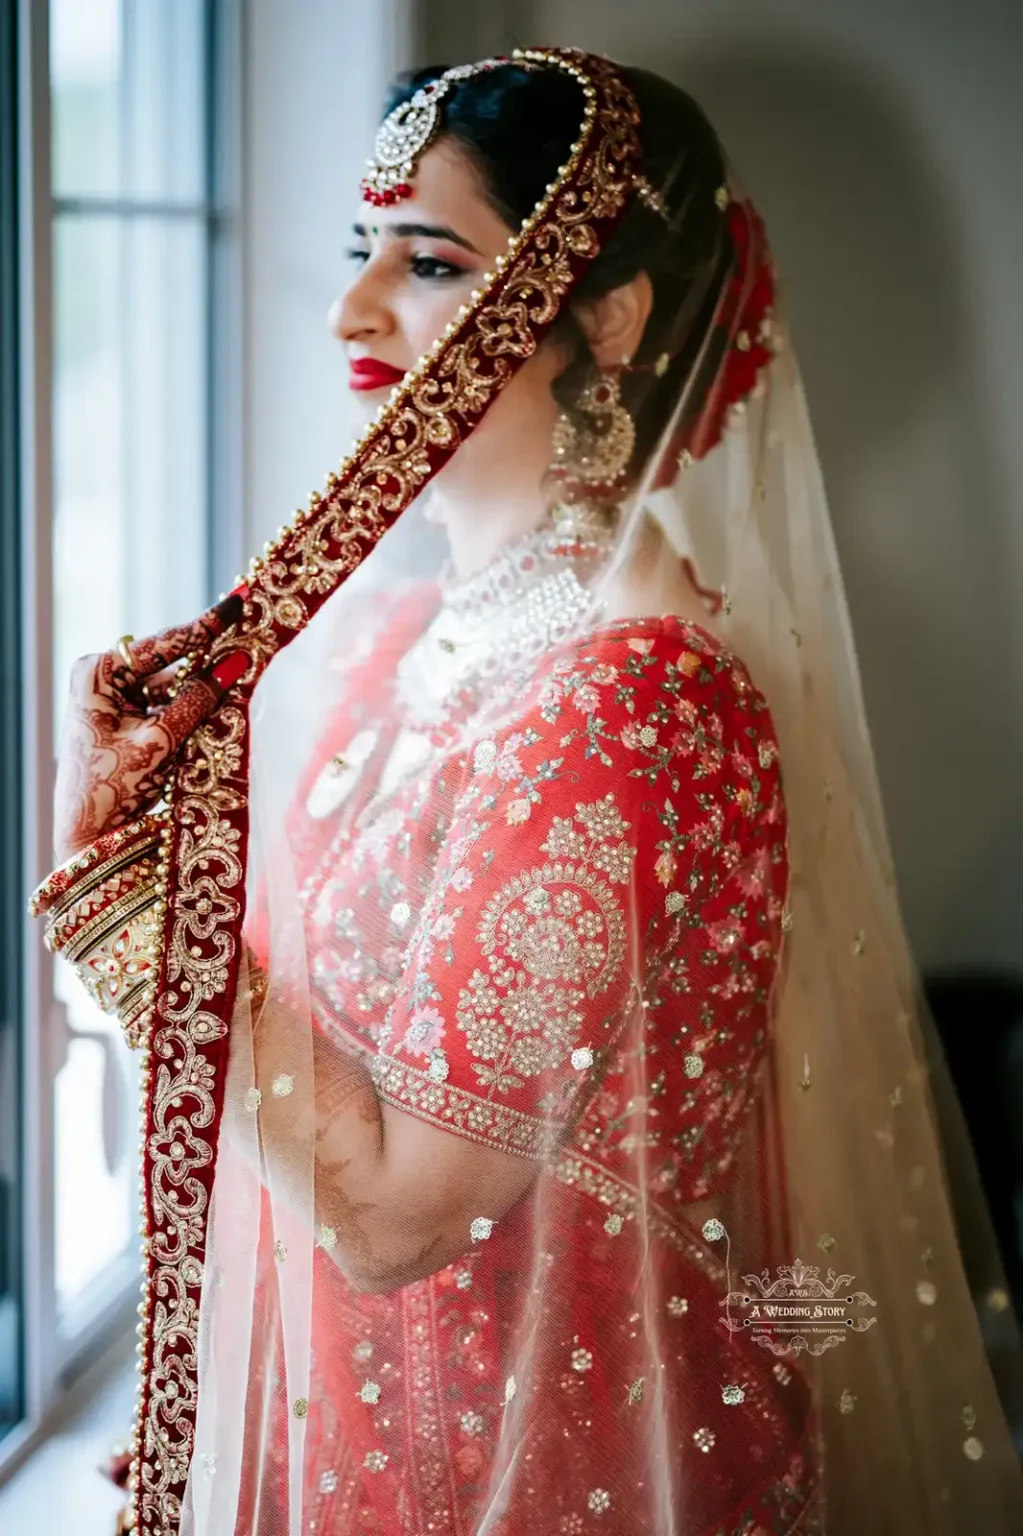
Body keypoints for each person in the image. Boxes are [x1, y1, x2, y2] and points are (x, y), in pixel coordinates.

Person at [32, 47, 1023, 1536]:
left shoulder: (626, 707)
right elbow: (307, 1078)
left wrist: (115, 897)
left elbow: (394, 1213)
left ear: (605, 317)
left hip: (549, 1469)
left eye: (429, 263)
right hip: (369, 1427)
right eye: (363, 253)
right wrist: (254, 1374)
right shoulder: (398, 634)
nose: (351, 313)